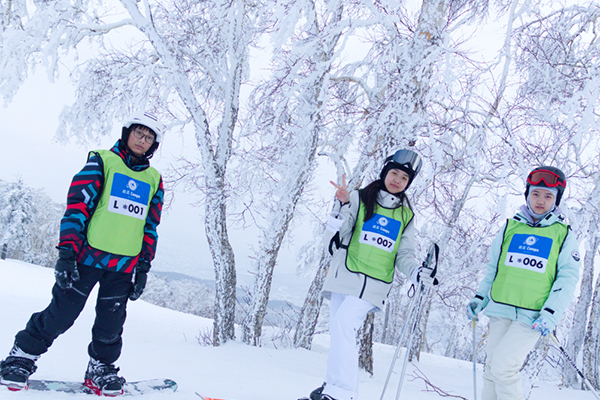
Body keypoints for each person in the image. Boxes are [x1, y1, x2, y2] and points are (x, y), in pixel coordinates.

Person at [0, 111, 165, 396]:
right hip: (86, 258)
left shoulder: (154, 179)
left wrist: (144, 267)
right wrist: (67, 253)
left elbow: (150, 226)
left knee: (111, 324)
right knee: (61, 314)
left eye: (149, 138)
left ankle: (100, 368)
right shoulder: (102, 161)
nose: (143, 140)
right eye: (139, 132)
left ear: (154, 146)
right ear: (127, 133)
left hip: (124, 265)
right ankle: (21, 357)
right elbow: (77, 207)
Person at [308, 149, 438, 400]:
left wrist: (416, 273)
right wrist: (343, 204)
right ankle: (334, 386)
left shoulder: (405, 216)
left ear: (408, 184)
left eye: (404, 178)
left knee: (345, 324)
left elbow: (405, 255)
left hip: (374, 285)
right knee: (339, 330)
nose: (397, 180)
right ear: (385, 172)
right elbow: (338, 236)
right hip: (345, 276)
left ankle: (341, 393)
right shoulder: (359, 198)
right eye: (394, 173)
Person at [466, 166, 581, 400]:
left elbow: (567, 279)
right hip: (500, 309)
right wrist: (480, 299)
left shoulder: (564, 234)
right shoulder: (510, 227)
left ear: (556, 200)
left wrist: (550, 315)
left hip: (533, 317)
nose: (540, 200)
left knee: (503, 368)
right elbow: (493, 269)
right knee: (491, 370)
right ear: (527, 194)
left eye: (548, 196)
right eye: (536, 193)